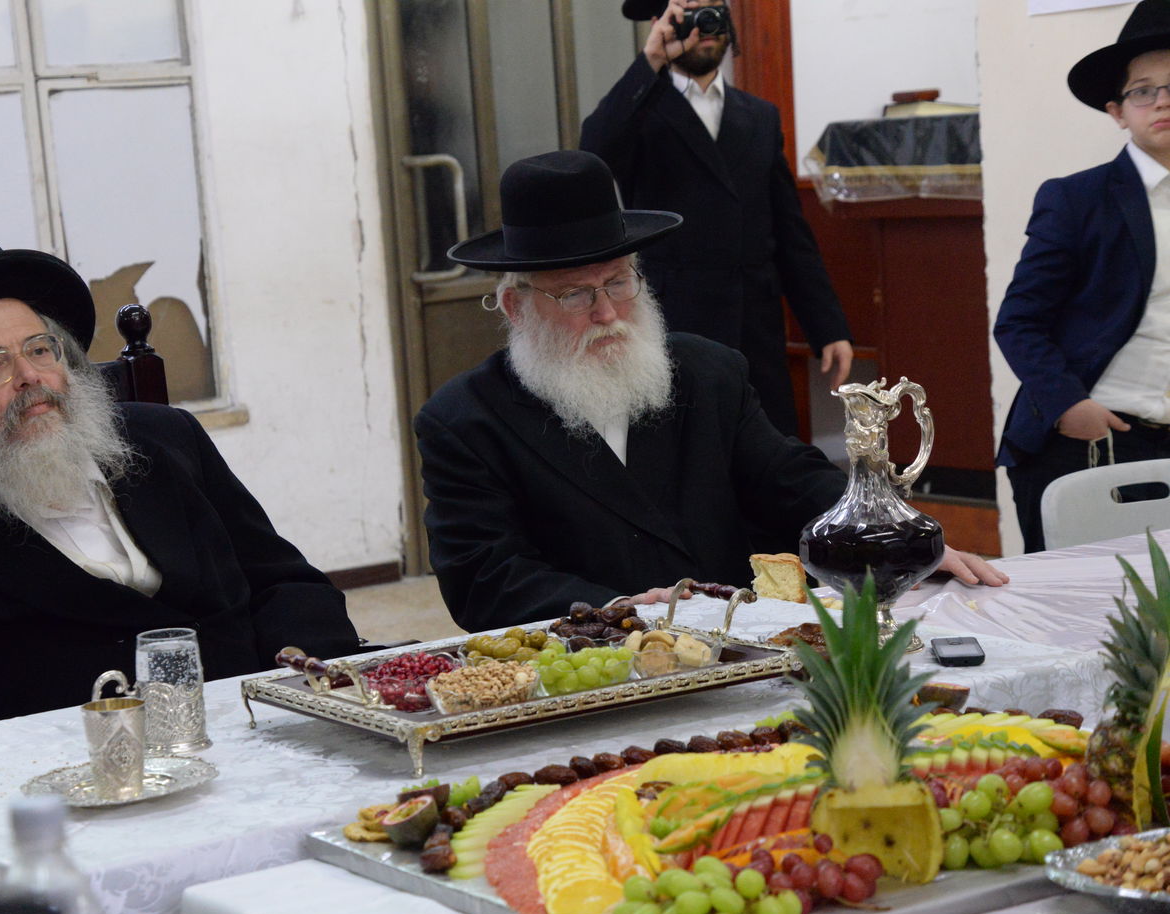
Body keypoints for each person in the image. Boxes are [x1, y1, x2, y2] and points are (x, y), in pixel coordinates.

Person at [415, 150, 1005, 633]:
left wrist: (891, 538)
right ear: (517, 306)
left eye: (619, 281)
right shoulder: (465, 421)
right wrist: (619, 609)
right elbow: (485, 578)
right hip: (593, 670)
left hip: (737, 651)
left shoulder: (708, 372)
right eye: (574, 294)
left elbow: (787, 479)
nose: (606, 313)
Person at [0, 233, 358, 738]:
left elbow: (285, 582)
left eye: (40, 349)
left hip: (261, 724)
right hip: (77, 772)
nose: (31, 376)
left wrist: (302, 679)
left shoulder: (165, 438)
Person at [579, 0, 852, 438]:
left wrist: (828, 327)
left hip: (755, 324)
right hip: (674, 322)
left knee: (769, 452)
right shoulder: (640, 110)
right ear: (662, 22)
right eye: (690, 14)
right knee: (688, 451)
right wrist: (650, 60)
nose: (705, 27)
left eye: (714, 13)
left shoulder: (759, 116)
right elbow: (593, 151)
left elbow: (789, 231)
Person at [995, 0, 1170, 553]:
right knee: (1079, 615)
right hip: (1095, 438)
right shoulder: (1077, 199)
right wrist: (1070, 406)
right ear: (1118, 111)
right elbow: (1019, 322)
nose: (1162, 101)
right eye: (1143, 90)